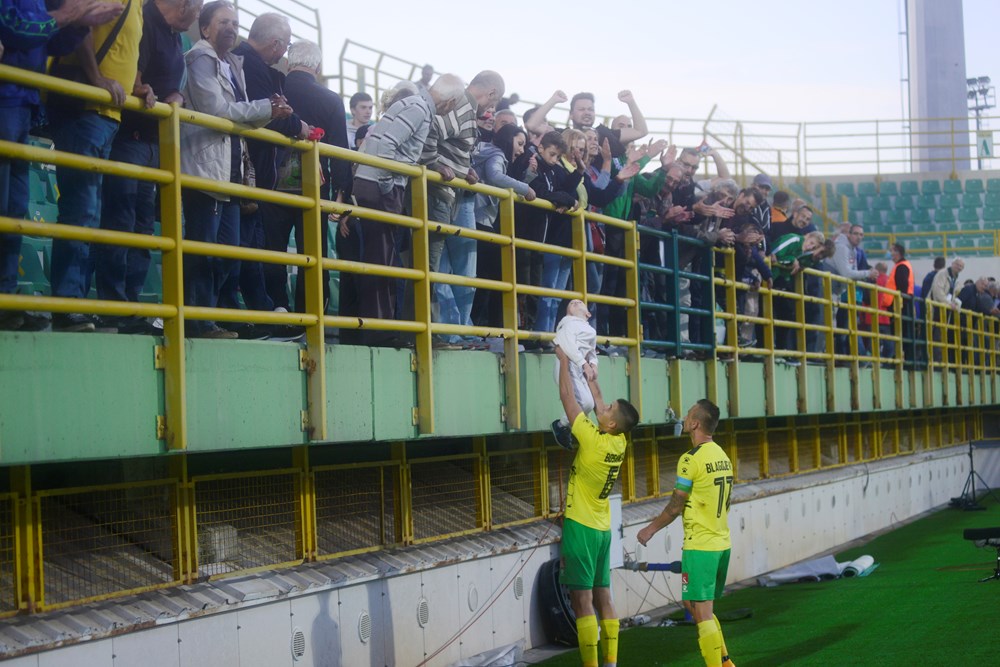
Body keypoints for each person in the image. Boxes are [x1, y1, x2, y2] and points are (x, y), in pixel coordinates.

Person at [0, 0, 118, 331]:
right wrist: (69, 15)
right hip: (6, 99)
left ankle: (5, 301)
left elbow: (50, 42)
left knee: (13, 209)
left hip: (23, 103)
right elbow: (15, 28)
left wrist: (79, 23)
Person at [180, 0, 291, 338]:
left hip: (230, 170)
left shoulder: (233, 64)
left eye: (235, 23)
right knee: (205, 248)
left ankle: (212, 316)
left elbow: (240, 115)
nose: (231, 28)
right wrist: (266, 108)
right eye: (223, 22)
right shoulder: (200, 58)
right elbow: (217, 110)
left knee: (228, 252)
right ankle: (197, 321)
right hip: (205, 168)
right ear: (205, 28)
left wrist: (270, 111)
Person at [95, 0, 201, 335]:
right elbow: (133, 73)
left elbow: (173, 85)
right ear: (182, 6)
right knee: (121, 220)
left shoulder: (173, 34)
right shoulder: (146, 21)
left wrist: (177, 97)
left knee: (142, 227)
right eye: (198, 9)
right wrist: (140, 86)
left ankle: (131, 305)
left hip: (154, 142)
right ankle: (113, 306)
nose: (198, 17)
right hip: (131, 137)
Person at [46, 0, 143, 332]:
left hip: (107, 115)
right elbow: (80, 23)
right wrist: (96, 77)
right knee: (82, 209)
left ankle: (79, 303)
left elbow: (124, 50)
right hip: (86, 109)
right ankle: (68, 303)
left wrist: (136, 85)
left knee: (91, 211)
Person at [351, 74, 464, 346]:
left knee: (383, 259)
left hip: (376, 183)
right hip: (380, 186)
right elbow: (387, 145)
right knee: (382, 260)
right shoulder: (418, 108)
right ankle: (379, 332)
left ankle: (381, 329)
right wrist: (389, 187)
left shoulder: (415, 105)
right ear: (449, 102)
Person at [552, 344, 639, 667]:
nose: (603, 407)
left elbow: (567, 399)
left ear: (611, 423)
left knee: (582, 600)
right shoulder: (619, 441)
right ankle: (611, 663)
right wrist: (591, 378)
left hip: (582, 527)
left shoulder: (591, 438)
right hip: (603, 529)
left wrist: (564, 361)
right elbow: (600, 404)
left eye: (609, 409)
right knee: (604, 596)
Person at [637, 399, 736, 667]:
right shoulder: (722, 456)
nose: (684, 416)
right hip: (721, 543)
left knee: (701, 613)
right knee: (694, 603)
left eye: (689, 413)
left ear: (694, 424)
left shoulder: (690, 459)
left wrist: (650, 529)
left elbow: (675, 506)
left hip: (700, 546)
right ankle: (726, 661)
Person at [275, 39, 351, 316]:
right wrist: (343, 192)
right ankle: (311, 314)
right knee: (314, 252)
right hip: (314, 184)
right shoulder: (330, 99)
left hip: (271, 179)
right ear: (317, 67)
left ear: (288, 63)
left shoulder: (275, 89)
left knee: (271, 249)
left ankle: (275, 309)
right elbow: (339, 151)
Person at [550, 299, 598, 448]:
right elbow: (568, 346)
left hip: (579, 368)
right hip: (568, 366)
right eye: (571, 303)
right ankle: (561, 425)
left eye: (580, 302)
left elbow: (592, 352)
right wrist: (584, 364)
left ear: (588, 313)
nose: (575, 302)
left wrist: (594, 364)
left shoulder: (591, 330)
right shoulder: (567, 323)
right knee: (585, 403)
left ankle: (566, 426)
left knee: (589, 403)